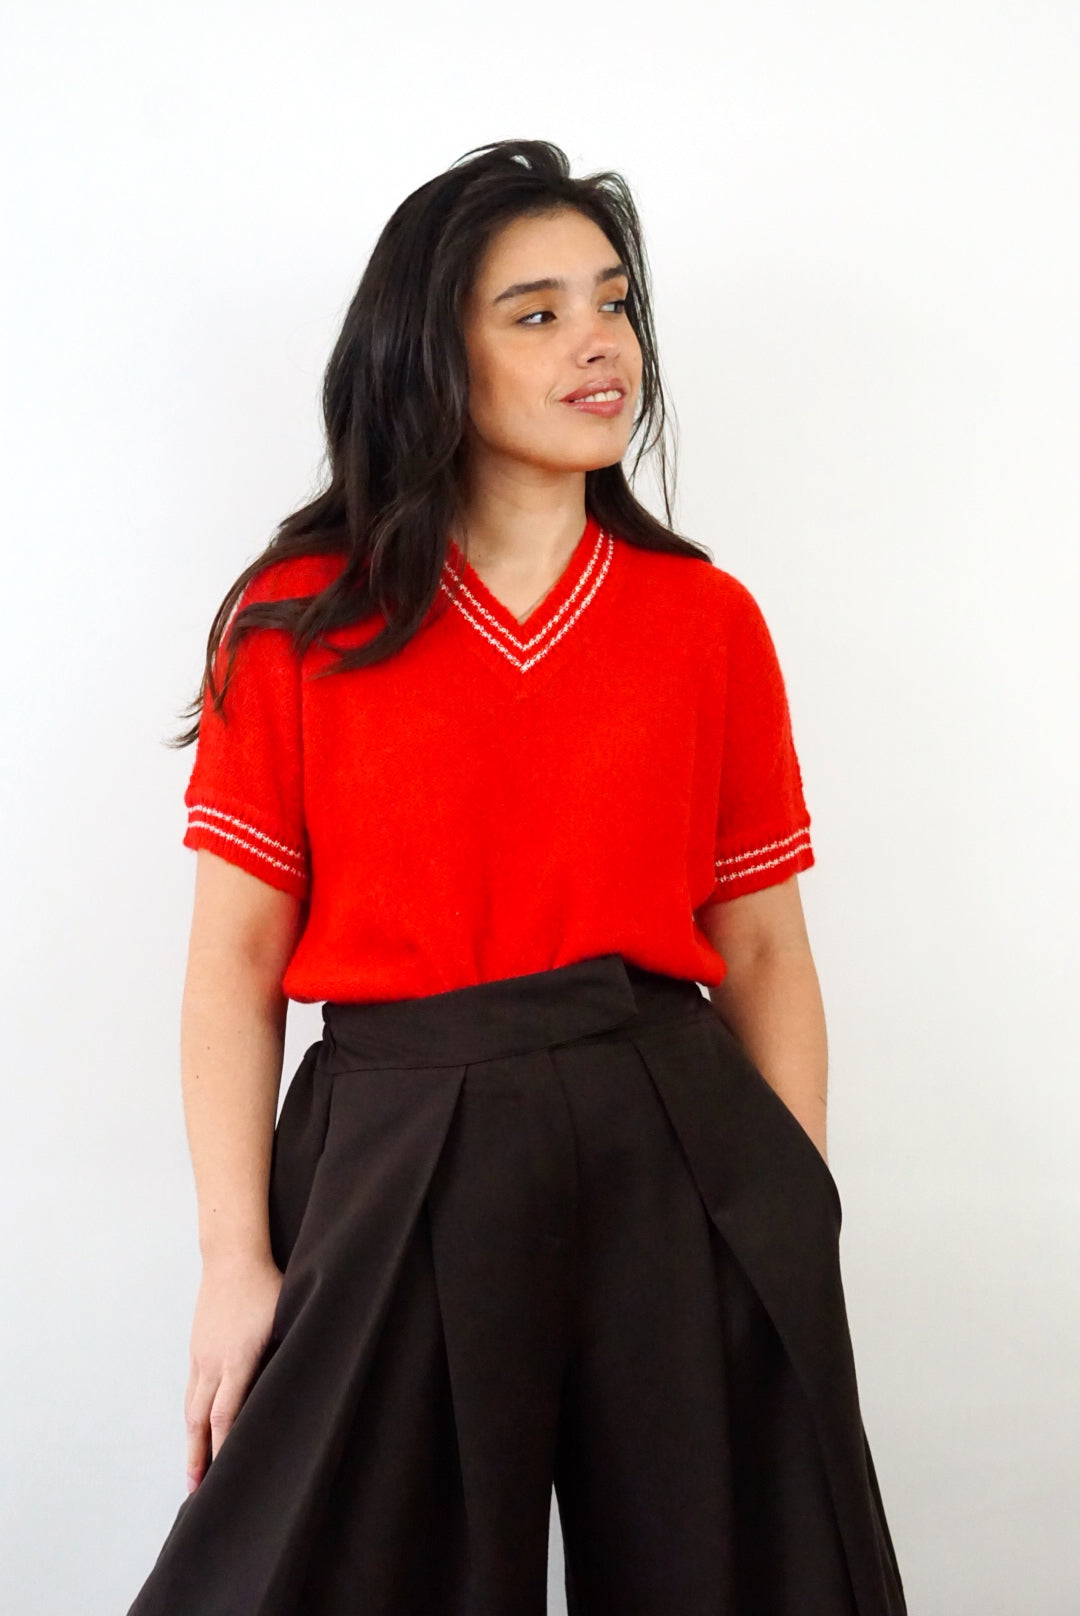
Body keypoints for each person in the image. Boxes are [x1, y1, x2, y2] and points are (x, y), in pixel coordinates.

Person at [126, 139, 907, 1615]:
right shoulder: (300, 624)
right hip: (397, 1138)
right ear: (431, 356)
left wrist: (792, 1212)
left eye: (612, 303)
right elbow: (233, 959)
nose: (597, 341)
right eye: (536, 312)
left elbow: (763, 951)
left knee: (725, 1575)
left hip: (674, 1136)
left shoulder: (705, 621)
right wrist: (236, 1260)